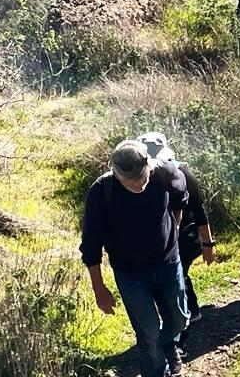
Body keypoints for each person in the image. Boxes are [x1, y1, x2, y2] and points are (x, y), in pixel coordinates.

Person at [80, 140, 190, 377]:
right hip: (130, 274)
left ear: (149, 166)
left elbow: (181, 195)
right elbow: (91, 246)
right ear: (117, 174)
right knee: (147, 331)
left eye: (144, 179)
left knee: (180, 318)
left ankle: (168, 343)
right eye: (133, 182)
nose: (140, 185)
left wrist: (175, 229)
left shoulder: (164, 172)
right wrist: (99, 289)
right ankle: (156, 370)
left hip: (168, 263)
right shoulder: (102, 192)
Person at [136, 133, 216, 338]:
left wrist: (208, 243)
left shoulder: (184, 173)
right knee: (179, 276)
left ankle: (183, 320)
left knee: (177, 275)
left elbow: (199, 210)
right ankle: (191, 311)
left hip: (186, 239)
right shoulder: (142, 180)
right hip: (165, 240)